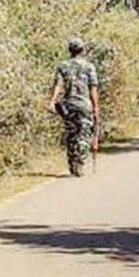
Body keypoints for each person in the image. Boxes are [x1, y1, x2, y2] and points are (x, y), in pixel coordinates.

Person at [48, 37, 101, 178]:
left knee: (71, 134)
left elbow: (58, 85)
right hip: (85, 105)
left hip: (69, 105)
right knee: (83, 134)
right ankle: (80, 163)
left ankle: (72, 162)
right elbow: (93, 88)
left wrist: (52, 101)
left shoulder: (63, 66)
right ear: (82, 50)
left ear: (69, 50)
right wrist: (96, 107)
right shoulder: (89, 66)